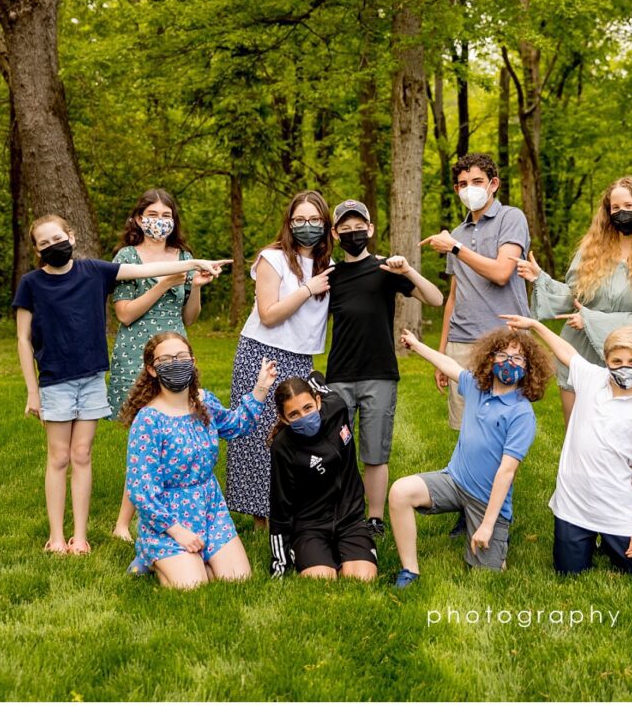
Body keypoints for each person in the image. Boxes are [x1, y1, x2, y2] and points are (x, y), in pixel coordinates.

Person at [11, 213, 226, 554]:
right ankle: (55, 536)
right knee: (58, 457)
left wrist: (194, 262)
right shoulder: (31, 284)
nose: (54, 246)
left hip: (93, 377)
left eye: (58, 238)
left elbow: (145, 270)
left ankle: (80, 536)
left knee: (82, 455)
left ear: (72, 236)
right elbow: (23, 339)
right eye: (45, 243)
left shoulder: (94, 271)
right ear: (37, 249)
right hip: (54, 381)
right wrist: (32, 390)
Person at [500, 314, 632, 577]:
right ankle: (587, 542)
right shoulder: (593, 378)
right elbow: (567, 352)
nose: (625, 368)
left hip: (615, 510)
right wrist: (534, 325)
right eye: (617, 361)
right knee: (568, 573)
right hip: (572, 507)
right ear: (607, 361)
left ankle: (611, 543)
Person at [388, 325, 549, 587]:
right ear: (490, 358)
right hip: (454, 481)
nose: (509, 362)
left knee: (485, 576)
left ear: (528, 367)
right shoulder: (476, 386)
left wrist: (487, 525)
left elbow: (506, 473)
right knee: (399, 492)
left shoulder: (521, 413)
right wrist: (416, 345)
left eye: (517, 358)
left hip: (486, 500)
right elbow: (449, 365)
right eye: (502, 355)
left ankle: (495, 537)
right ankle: (410, 571)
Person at [325, 199, 444, 537]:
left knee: (375, 450)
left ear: (371, 229)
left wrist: (407, 269)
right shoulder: (331, 275)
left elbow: (435, 299)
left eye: (358, 228)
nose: (353, 234)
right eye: (345, 229)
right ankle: (344, 511)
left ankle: (374, 517)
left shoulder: (386, 269)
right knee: (338, 449)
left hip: (379, 373)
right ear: (335, 234)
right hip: (339, 375)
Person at [518, 176, 632, 427]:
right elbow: (574, 298)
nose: (621, 213)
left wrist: (589, 319)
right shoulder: (592, 252)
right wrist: (540, 278)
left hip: (622, 358)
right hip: (577, 351)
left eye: (628, 206)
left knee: (617, 434)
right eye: (615, 208)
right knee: (576, 431)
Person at [122, 331, 277, 587]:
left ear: (192, 361)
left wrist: (261, 388)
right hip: (167, 516)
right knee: (195, 586)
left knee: (238, 580)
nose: (176, 363)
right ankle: (150, 557)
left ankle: (194, 562)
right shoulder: (148, 420)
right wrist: (176, 530)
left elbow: (236, 425)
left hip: (209, 507)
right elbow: (142, 490)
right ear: (151, 370)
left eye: (182, 357)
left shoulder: (204, 402)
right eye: (166, 359)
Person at [108, 189, 220, 542]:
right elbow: (125, 314)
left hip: (175, 353)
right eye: (153, 213)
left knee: (171, 431)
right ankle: (124, 523)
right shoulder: (126, 256)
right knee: (143, 440)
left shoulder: (183, 256)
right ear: (139, 219)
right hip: (136, 354)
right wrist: (164, 282)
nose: (160, 220)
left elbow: (189, 315)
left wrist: (195, 287)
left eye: (167, 214)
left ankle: (152, 512)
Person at [224, 191, 334, 523]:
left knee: (295, 433)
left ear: (325, 225)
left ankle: (292, 508)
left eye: (314, 220)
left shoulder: (329, 266)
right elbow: (268, 314)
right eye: (299, 220)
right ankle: (262, 518)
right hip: (262, 352)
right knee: (259, 436)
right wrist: (308, 289)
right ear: (289, 224)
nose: (307, 226)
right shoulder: (272, 259)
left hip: (301, 358)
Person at [421, 153, 530, 431]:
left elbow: (501, 273)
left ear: (493, 184)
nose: (470, 188)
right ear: (457, 190)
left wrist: (455, 248)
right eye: (463, 183)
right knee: (466, 429)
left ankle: (503, 477)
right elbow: (454, 297)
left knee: (502, 428)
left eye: (477, 181)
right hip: (461, 342)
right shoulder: (456, 234)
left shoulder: (511, 217)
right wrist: (442, 354)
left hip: (505, 341)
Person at [268, 371, 378, 581]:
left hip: (350, 518)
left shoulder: (336, 406)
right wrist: (279, 564)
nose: (304, 417)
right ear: (283, 418)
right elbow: (279, 505)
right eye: (294, 414)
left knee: (363, 579)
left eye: (308, 408)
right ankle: (314, 555)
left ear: (318, 401)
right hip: (310, 526)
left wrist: (315, 378)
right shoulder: (282, 447)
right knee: (321, 580)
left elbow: (318, 378)